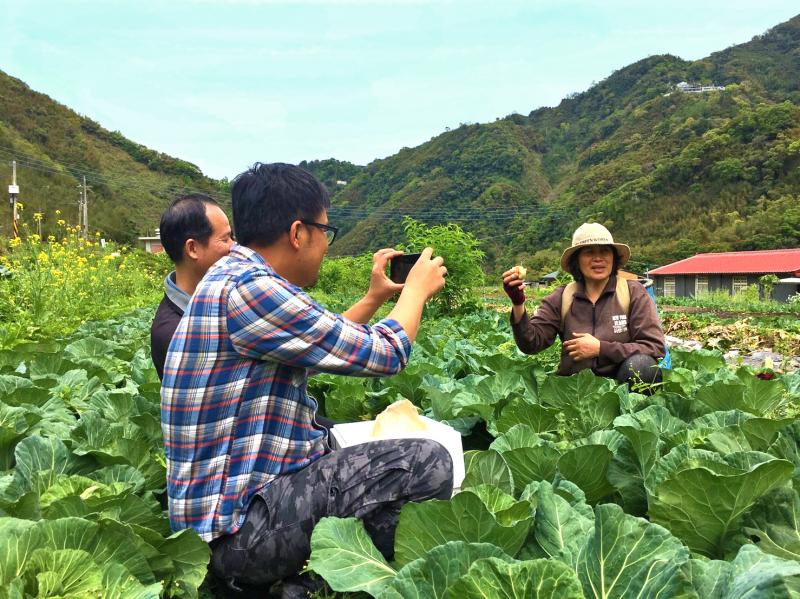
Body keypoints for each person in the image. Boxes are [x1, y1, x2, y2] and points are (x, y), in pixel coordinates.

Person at [160, 163, 453, 598]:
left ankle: (296, 581)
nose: (324, 246)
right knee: (428, 462)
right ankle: (310, 584)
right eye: (324, 232)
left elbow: (324, 344)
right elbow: (386, 353)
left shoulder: (232, 279)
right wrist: (416, 292)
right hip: (238, 535)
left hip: (228, 520)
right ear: (298, 233)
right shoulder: (252, 289)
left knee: (340, 444)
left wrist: (374, 297)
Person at [502, 222, 665, 386]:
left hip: (621, 388)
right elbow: (531, 343)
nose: (598, 258)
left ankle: (630, 408)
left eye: (605, 251)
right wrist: (518, 303)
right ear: (577, 260)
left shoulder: (632, 292)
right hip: (574, 391)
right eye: (589, 252)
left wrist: (601, 349)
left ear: (613, 257)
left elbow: (654, 347)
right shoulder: (562, 297)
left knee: (643, 367)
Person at [150, 194, 235, 380]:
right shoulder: (174, 332)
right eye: (226, 238)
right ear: (193, 249)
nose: (234, 247)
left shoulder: (218, 297)